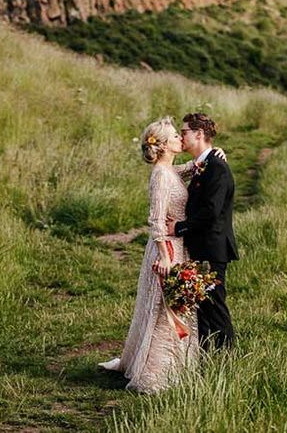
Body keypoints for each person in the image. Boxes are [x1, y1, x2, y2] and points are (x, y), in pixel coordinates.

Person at [99, 117, 225, 392]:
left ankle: (175, 363)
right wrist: (165, 255)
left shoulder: (169, 171)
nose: (181, 139)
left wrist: (211, 156)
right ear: (165, 145)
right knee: (163, 309)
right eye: (176, 137)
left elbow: (187, 169)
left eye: (182, 135)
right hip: (168, 247)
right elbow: (156, 220)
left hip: (179, 245)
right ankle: (157, 372)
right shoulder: (159, 175)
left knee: (172, 305)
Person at [167, 112, 237, 350]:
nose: (181, 136)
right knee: (203, 309)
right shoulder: (203, 164)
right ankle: (207, 360)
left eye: (184, 132)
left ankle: (226, 360)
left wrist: (179, 228)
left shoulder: (216, 167)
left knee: (215, 307)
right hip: (202, 246)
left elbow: (210, 211)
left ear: (198, 134)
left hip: (211, 248)